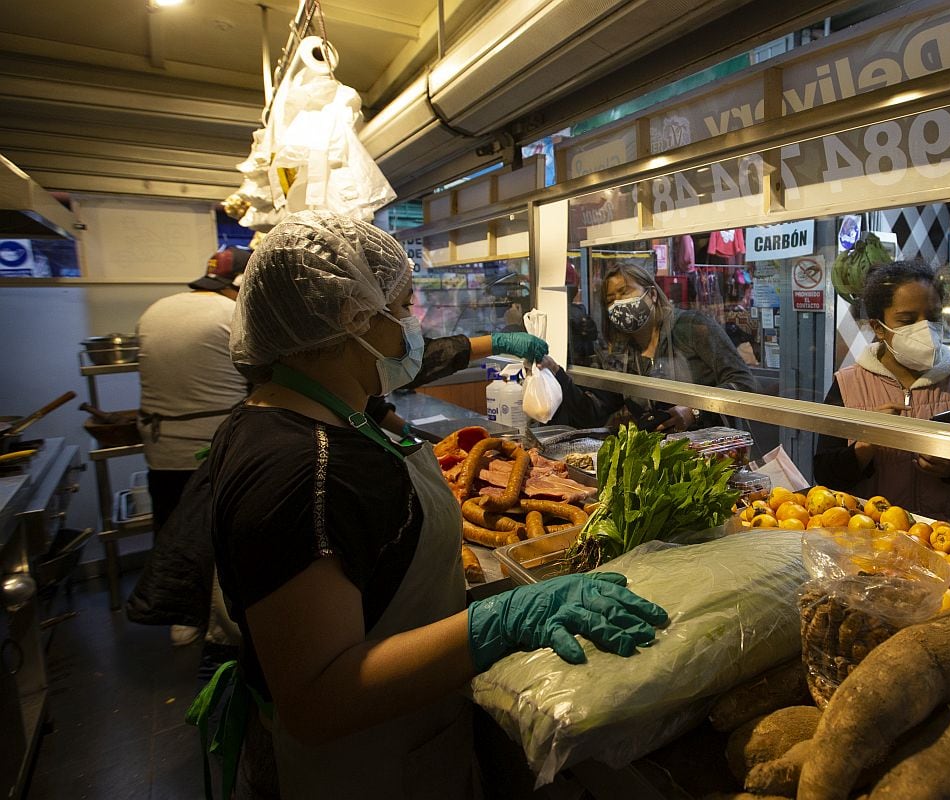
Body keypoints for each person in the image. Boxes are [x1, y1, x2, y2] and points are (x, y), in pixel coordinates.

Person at [202, 211, 667, 798]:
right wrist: (499, 621)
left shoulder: (310, 406)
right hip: (361, 769)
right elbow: (319, 699)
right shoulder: (301, 470)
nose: (411, 324)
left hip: (412, 738)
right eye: (401, 308)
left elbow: (405, 368)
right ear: (351, 319)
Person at [813, 260, 950, 526]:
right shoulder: (847, 385)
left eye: (933, 317)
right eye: (907, 320)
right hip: (875, 537)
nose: (924, 329)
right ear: (878, 328)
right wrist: (864, 447)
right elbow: (825, 474)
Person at [136, 245, 253, 646]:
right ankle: (216, 622)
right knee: (218, 536)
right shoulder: (233, 315)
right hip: (215, 443)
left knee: (174, 524)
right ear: (242, 284)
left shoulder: (158, 308)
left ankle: (181, 616)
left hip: (159, 442)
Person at [547, 261, 757, 433]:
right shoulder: (622, 354)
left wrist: (695, 411)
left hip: (715, 455)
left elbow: (744, 383)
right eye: (611, 300)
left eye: (625, 292)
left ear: (652, 295)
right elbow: (593, 412)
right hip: (661, 462)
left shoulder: (693, 327)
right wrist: (556, 373)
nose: (618, 303)